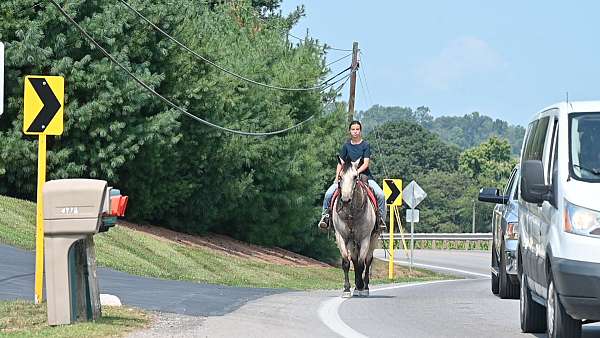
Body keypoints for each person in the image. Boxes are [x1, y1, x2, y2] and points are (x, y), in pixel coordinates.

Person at [318, 120, 387, 230]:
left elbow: (366, 163)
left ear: (360, 131)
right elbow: (340, 163)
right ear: (350, 131)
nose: (355, 131)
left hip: (365, 176)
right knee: (328, 194)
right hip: (346, 178)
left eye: (357, 129)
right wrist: (337, 177)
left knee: (381, 195)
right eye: (353, 129)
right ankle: (325, 216)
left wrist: (356, 172)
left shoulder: (365, 145)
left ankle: (381, 220)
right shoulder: (346, 146)